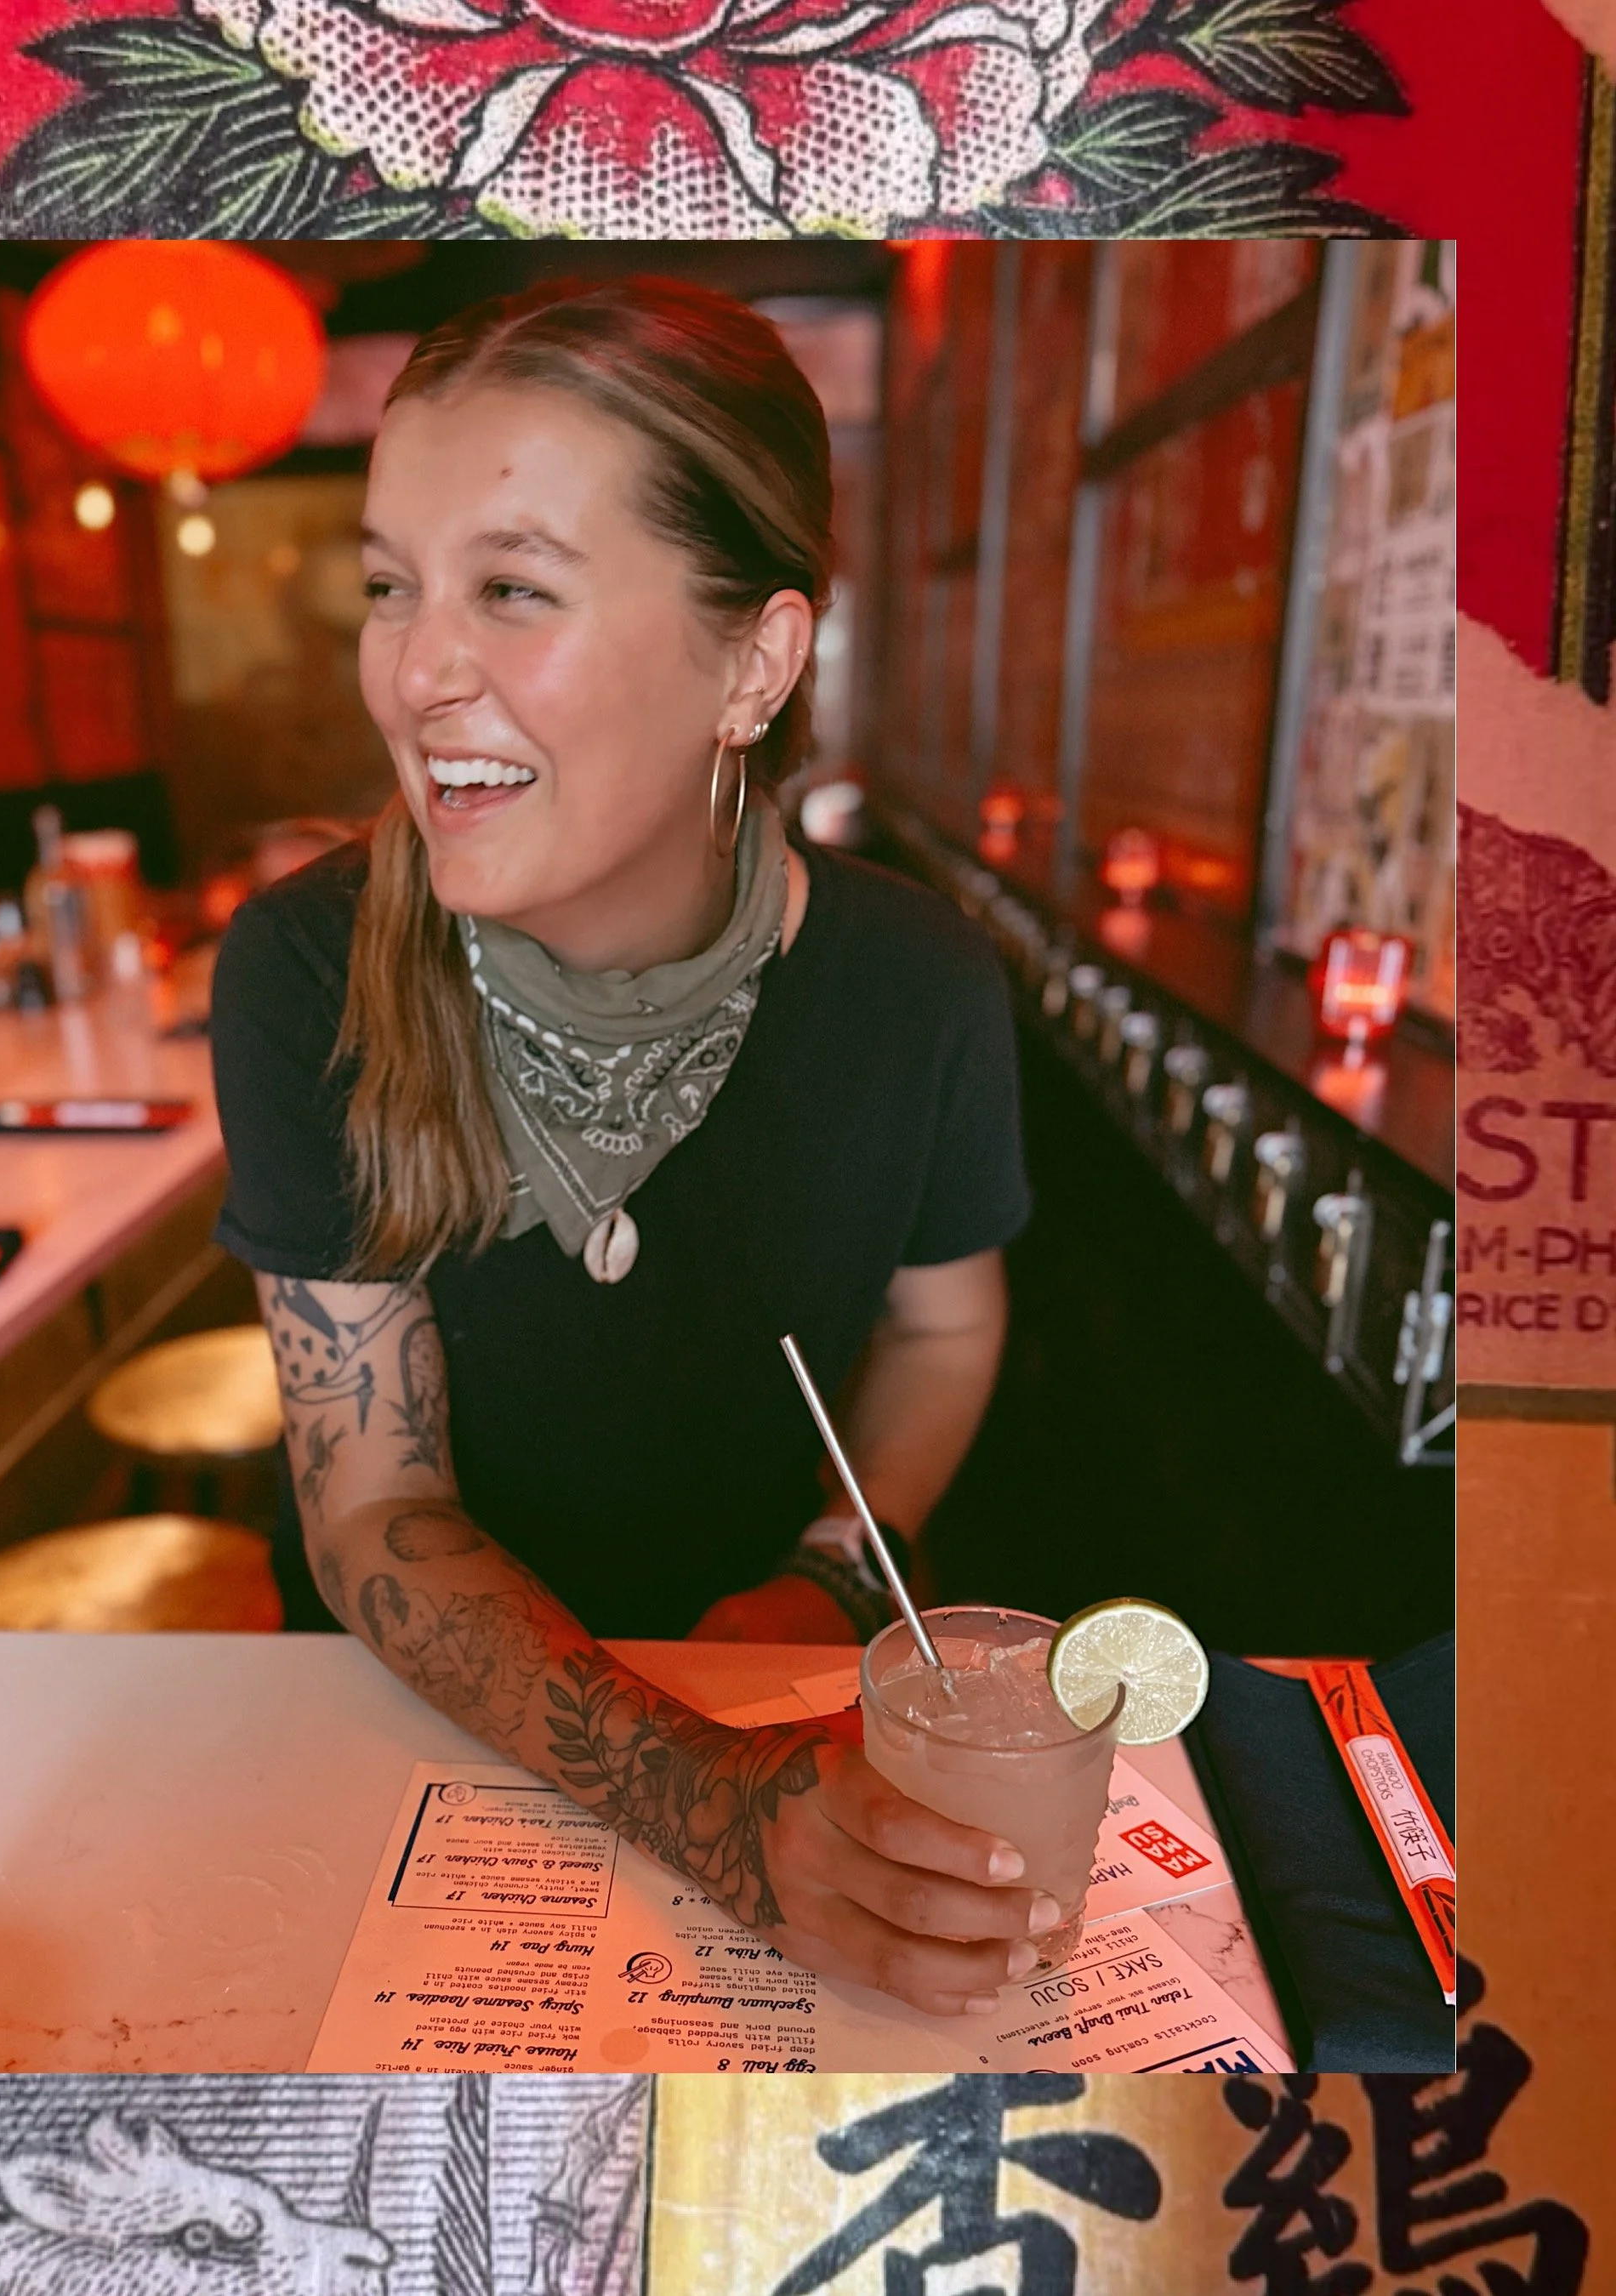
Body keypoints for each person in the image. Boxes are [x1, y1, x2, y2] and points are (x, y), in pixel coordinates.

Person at [211, 277, 1050, 2016]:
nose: (415, 671)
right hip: (419, 1729)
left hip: (795, 1696)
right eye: (392, 586)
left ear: (755, 661)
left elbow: (948, 1325)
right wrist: (712, 1812)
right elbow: (372, 1499)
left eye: (512, 591)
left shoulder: (917, 981)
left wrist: (832, 1567)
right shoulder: (305, 968)